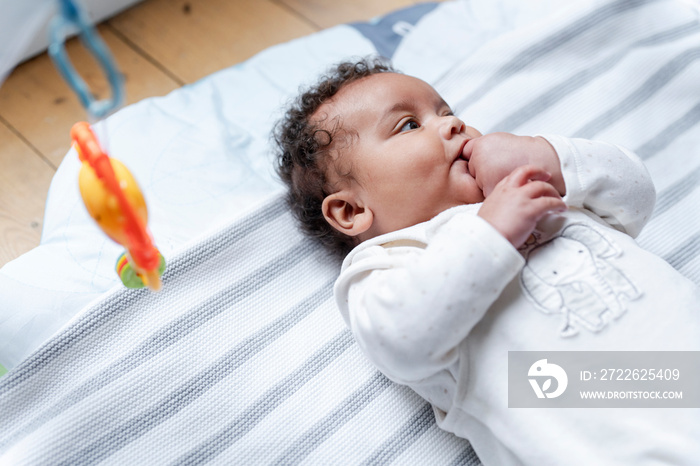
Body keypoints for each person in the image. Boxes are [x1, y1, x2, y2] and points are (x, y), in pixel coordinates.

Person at [274, 58, 700, 465]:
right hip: (609, 434)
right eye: (409, 125)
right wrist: (490, 232)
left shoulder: (531, 183)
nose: (451, 123)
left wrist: (551, 157)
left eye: (447, 111)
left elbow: (637, 198)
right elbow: (402, 340)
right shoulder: (388, 265)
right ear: (351, 211)